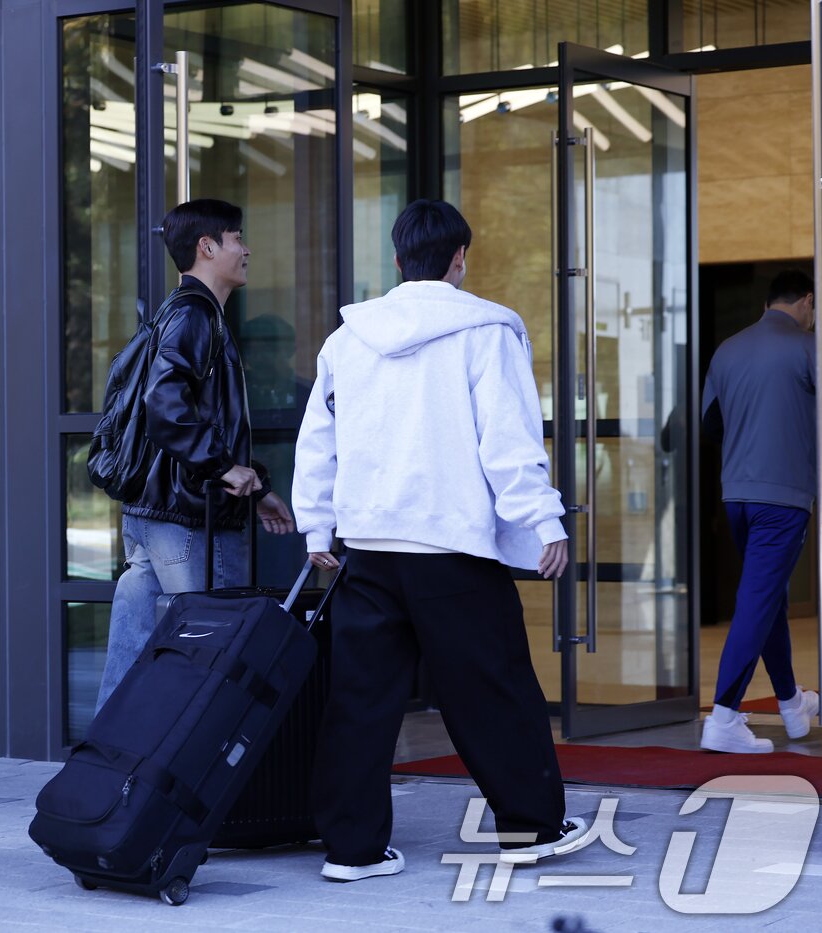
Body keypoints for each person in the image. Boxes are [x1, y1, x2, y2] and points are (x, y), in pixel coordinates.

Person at [291, 199, 588, 883]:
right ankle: (532, 828)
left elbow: (319, 440)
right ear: (460, 259)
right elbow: (507, 440)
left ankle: (352, 849)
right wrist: (543, 519)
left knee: (361, 699)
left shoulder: (347, 339)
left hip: (367, 546)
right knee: (494, 689)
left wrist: (316, 524)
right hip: (451, 546)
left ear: (397, 261)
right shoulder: (487, 330)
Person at [94, 198, 295, 711]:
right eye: (237, 238)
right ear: (207, 247)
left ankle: (111, 769)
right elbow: (165, 404)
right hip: (188, 519)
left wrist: (259, 489)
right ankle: (184, 776)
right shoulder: (196, 314)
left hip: (152, 513)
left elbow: (190, 411)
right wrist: (225, 469)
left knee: (131, 651)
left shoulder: (176, 312)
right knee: (207, 654)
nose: (247, 249)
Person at [698, 269, 819, 754]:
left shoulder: (727, 349)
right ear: (807, 301)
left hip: (737, 497)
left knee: (768, 599)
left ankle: (792, 705)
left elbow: (711, 423)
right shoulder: (806, 348)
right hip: (783, 497)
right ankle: (724, 716)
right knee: (757, 601)